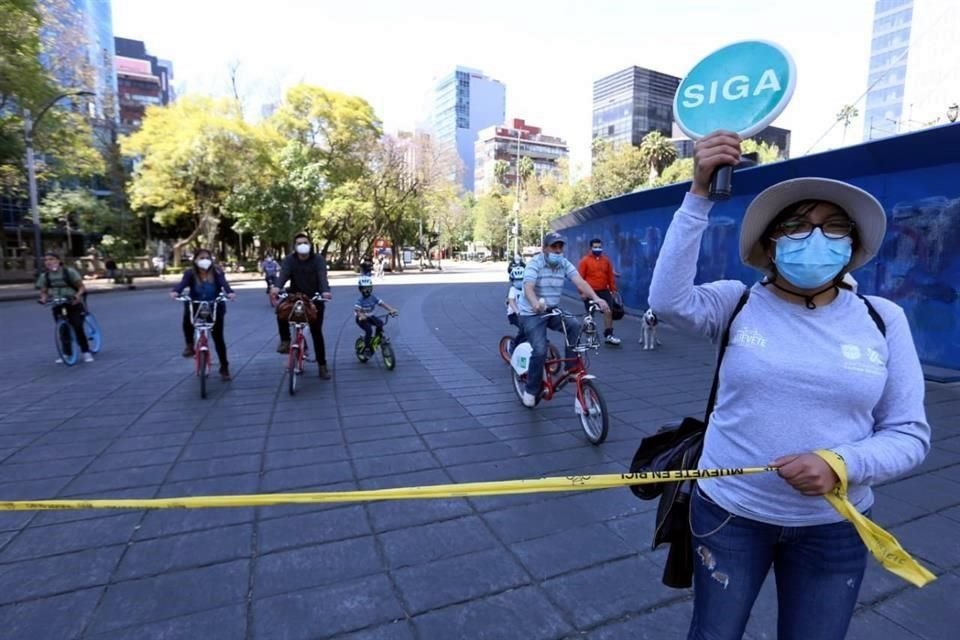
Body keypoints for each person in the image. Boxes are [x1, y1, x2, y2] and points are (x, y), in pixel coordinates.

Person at [648, 130, 930, 640]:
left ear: (852, 244)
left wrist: (842, 463)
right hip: (729, 514)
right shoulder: (736, 302)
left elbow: (909, 434)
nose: (815, 238)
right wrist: (697, 194)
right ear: (769, 242)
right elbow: (667, 301)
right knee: (714, 634)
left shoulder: (884, 319)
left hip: (835, 526)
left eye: (833, 226)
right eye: (797, 226)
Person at [518, 231, 610, 408]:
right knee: (539, 350)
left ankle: (571, 368)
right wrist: (535, 303)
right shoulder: (535, 264)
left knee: (574, 325)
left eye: (560, 247)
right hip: (531, 313)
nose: (558, 251)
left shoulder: (563, 264)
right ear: (544, 248)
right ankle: (531, 389)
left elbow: (580, 282)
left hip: (551, 310)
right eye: (554, 247)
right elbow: (528, 287)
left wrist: (596, 298)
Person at [271, 232, 333, 379]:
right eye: (299, 243)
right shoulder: (289, 260)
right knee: (280, 311)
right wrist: (276, 287)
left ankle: (322, 366)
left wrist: (325, 292)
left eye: (305, 242)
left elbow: (322, 277)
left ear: (310, 245)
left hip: (314, 298)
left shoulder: (318, 259)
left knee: (316, 332)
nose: (302, 245)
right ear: (295, 246)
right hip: (294, 296)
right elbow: (283, 276)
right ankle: (285, 341)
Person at [169, 249, 237, 380]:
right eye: (201, 258)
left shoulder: (217, 272)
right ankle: (189, 345)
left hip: (214, 307)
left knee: (218, 337)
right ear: (195, 260)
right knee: (187, 319)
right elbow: (181, 285)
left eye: (207, 257)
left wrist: (230, 293)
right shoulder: (190, 274)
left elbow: (225, 285)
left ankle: (224, 367)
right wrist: (175, 292)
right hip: (196, 305)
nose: (204, 260)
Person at [37, 251, 94, 364]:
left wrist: (77, 296)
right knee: (63, 329)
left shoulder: (69, 272)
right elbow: (44, 291)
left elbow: (81, 287)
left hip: (72, 302)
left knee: (77, 327)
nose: (48, 262)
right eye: (46, 260)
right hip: (58, 303)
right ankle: (67, 353)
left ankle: (86, 352)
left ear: (58, 260)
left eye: (51, 259)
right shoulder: (45, 276)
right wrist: (43, 299)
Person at [577, 238, 621, 345]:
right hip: (589, 291)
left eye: (599, 246)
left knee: (608, 311)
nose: (598, 249)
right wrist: (582, 292)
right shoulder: (585, 261)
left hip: (604, 291)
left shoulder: (606, 260)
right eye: (595, 247)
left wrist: (613, 289)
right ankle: (590, 337)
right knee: (590, 315)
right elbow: (579, 278)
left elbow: (610, 276)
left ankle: (609, 335)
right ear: (591, 248)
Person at [354, 275, 398, 355]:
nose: (366, 290)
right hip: (361, 319)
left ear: (371, 288)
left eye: (368, 288)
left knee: (380, 323)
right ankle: (367, 347)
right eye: (364, 288)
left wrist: (391, 309)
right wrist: (361, 315)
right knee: (369, 330)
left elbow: (382, 304)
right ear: (360, 289)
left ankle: (376, 339)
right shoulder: (360, 300)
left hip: (370, 317)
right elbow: (357, 310)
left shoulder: (373, 297)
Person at [506, 262, 526, 349]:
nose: (519, 282)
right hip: (514, 314)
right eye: (516, 280)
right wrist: (517, 312)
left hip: (525, 313)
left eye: (521, 279)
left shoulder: (527, 288)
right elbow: (511, 301)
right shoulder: (513, 289)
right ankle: (514, 346)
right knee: (524, 329)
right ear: (512, 281)